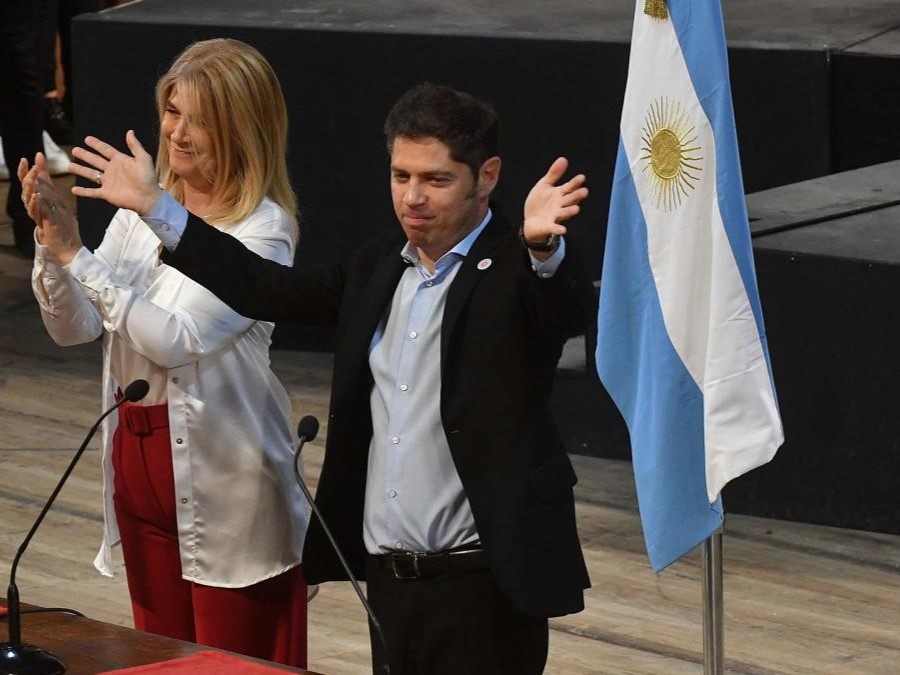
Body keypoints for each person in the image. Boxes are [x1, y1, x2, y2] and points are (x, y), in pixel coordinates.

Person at [57, 82, 594, 674]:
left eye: (436, 180)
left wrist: (542, 250)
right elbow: (262, 287)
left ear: (486, 176)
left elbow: (559, 313)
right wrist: (160, 208)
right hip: (389, 577)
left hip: (483, 580)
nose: (412, 197)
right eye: (400, 176)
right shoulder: (377, 266)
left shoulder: (516, 265)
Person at [18, 39, 310, 668]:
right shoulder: (136, 214)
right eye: (172, 111)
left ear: (241, 125)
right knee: (161, 659)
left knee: (229, 662)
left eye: (198, 118)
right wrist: (55, 242)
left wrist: (80, 258)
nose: (177, 132)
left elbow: (178, 340)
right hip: (139, 464)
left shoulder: (263, 228)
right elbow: (76, 328)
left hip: (228, 479)